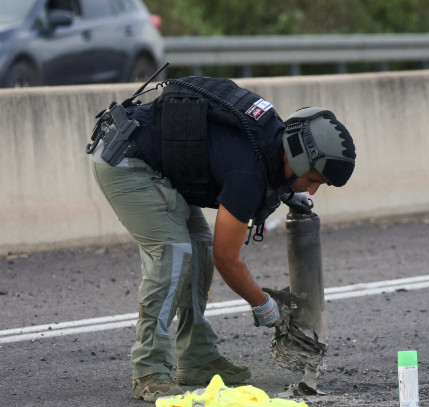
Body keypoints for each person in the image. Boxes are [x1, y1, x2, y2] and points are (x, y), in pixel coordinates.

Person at [87, 76, 356, 402]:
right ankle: (148, 370)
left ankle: (196, 356)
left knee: (199, 248)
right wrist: (264, 305)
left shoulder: (277, 139)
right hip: (125, 157)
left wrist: (290, 193)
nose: (312, 190)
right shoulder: (248, 175)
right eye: (313, 180)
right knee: (173, 253)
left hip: (147, 153)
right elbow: (227, 259)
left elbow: (251, 167)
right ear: (299, 158)